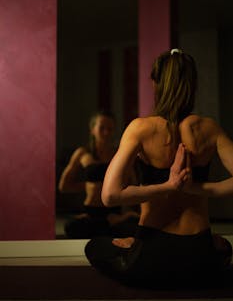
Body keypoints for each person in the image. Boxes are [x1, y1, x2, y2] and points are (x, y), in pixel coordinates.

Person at [85, 49, 233, 288]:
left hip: (150, 256)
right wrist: (193, 189)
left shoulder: (140, 129)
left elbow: (109, 195)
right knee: (225, 248)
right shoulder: (209, 128)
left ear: (156, 84)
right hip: (199, 258)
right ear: (193, 84)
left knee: (95, 246)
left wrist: (168, 186)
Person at [59, 110, 139, 239]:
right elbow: (64, 186)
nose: (106, 132)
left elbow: (133, 184)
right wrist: (88, 186)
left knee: (133, 225)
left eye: (110, 128)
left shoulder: (120, 153)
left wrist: (126, 214)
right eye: (102, 128)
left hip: (114, 214)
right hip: (90, 212)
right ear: (92, 129)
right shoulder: (82, 153)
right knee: (71, 226)